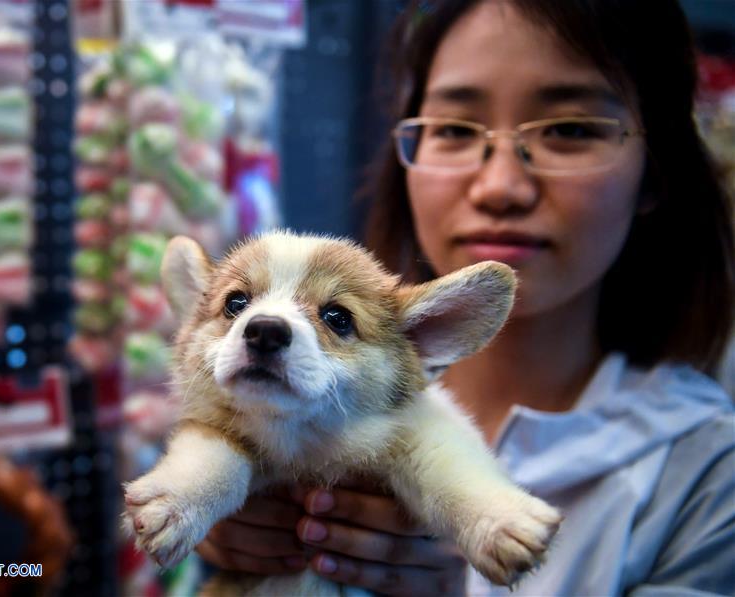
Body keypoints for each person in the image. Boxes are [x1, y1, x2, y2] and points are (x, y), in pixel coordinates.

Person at [196, 0, 735, 594]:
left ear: (656, 172)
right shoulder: (280, 397)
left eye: (570, 130)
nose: (500, 186)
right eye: (454, 129)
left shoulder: (706, 474)